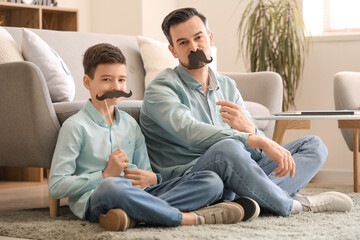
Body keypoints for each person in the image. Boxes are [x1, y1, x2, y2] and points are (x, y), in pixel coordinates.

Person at [140, 7, 353, 217]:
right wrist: (257, 139)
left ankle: (251, 199)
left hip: (237, 172)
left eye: (198, 37)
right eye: (183, 42)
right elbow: (190, 131)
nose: (193, 47)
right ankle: (290, 205)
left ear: (210, 38)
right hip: (196, 178)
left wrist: (250, 128)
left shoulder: (227, 86)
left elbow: (252, 150)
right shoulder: (162, 88)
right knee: (228, 147)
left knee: (313, 145)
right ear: (173, 50)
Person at [48, 43, 246, 232]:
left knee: (212, 182)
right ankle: (187, 218)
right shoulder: (74, 127)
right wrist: (105, 175)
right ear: (87, 82)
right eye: (106, 80)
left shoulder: (130, 124)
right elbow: (56, 186)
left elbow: (147, 174)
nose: (116, 86)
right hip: (100, 197)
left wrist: (153, 178)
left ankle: (133, 215)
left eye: (121, 80)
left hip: (141, 195)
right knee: (112, 187)